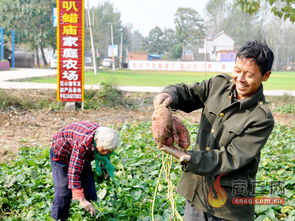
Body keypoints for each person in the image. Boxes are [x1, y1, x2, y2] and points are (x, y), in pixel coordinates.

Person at [153, 40, 275, 221]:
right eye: (238, 70)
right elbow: (188, 92)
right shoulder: (218, 85)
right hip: (196, 193)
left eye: (249, 75)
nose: (240, 79)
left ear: (265, 76)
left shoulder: (261, 117)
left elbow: (232, 157)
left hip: (228, 207)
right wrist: (169, 95)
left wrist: (189, 158)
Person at [50, 121, 120, 220]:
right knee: (63, 192)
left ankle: (90, 216)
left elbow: (104, 154)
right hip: (61, 156)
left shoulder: (105, 137)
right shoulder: (83, 144)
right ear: (96, 140)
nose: (106, 153)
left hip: (81, 154)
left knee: (90, 192)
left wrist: (105, 167)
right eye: (104, 150)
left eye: (109, 151)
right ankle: (58, 218)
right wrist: (81, 199)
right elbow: (74, 172)